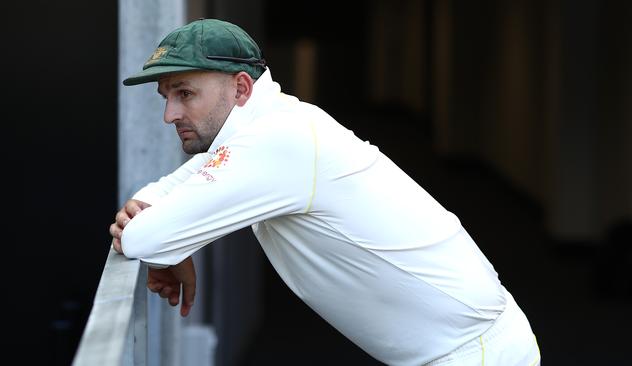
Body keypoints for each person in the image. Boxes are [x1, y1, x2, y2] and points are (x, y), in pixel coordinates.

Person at [109, 18, 541, 366]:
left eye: (185, 94)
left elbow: (145, 237)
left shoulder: (277, 141)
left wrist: (173, 238)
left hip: (475, 352)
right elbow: (162, 192)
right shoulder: (265, 129)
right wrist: (175, 235)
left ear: (240, 88)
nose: (170, 114)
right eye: (166, 97)